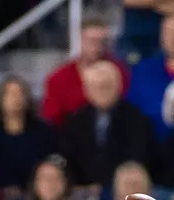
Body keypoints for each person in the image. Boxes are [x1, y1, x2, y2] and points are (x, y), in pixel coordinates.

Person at [59, 61, 158, 191]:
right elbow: (69, 160)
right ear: (86, 90)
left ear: (119, 87)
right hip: (83, 190)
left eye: (107, 86)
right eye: (96, 86)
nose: (102, 91)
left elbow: (137, 159)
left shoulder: (137, 119)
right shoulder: (74, 121)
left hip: (122, 190)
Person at [0, 78, 57, 200]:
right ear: (0, 100)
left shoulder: (44, 132)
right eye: (10, 94)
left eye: (20, 93)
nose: (16, 98)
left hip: (39, 198)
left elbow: (53, 163)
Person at [40, 17, 129, 126]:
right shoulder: (59, 78)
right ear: (80, 40)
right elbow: (52, 119)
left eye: (102, 42)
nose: (96, 47)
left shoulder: (120, 72)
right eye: (92, 41)